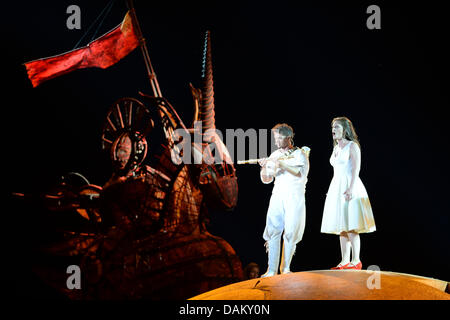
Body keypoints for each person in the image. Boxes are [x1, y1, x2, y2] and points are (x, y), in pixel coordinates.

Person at [320, 117, 376, 270]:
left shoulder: (352, 146)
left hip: (350, 186)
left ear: (345, 129)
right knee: (342, 227)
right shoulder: (336, 148)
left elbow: (356, 169)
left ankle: (356, 260)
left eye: (337, 127)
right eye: (332, 127)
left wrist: (350, 188)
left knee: (351, 224)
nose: (333, 129)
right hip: (337, 186)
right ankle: (344, 260)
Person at [259, 123, 310, 277]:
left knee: (290, 230)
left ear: (288, 138)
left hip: (294, 196)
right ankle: (271, 270)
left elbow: (301, 173)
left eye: (279, 138)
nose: (276, 141)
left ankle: (285, 268)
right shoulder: (274, 154)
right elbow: (266, 180)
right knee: (274, 230)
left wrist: (282, 164)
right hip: (278, 195)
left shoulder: (300, 154)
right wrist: (265, 167)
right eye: (275, 138)